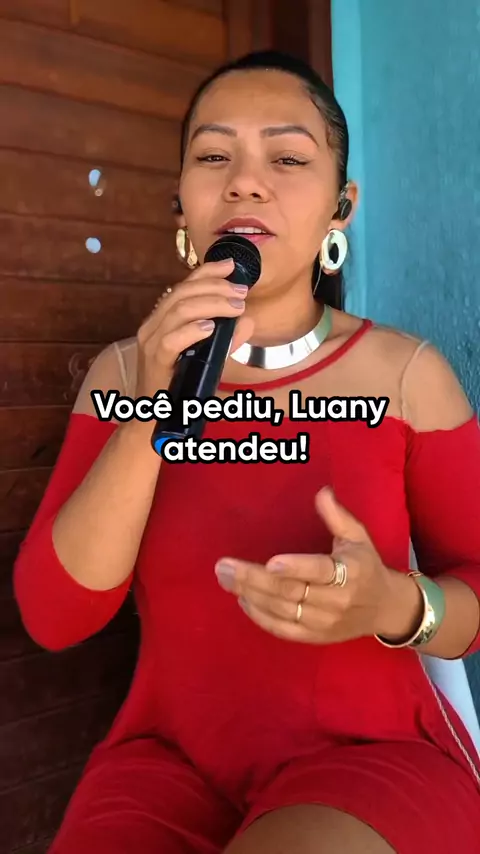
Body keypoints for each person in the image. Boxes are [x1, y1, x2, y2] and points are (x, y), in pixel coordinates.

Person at [13, 50, 480, 854]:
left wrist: (391, 606)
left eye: (287, 158)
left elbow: (473, 592)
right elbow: (56, 617)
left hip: (373, 758)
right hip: (167, 761)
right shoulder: (123, 374)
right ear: (181, 201)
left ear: (341, 206)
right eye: (212, 156)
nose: (245, 183)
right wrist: (153, 409)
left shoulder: (407, 376)